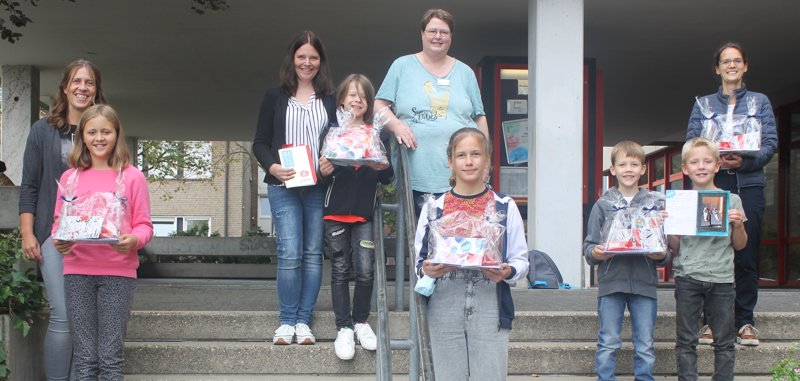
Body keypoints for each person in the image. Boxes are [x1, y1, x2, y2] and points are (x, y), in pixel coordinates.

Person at [414, 128, 528, 380]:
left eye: (476, 154)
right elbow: (419, 262)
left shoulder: (504, 206)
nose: (468, 161)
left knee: (490, 375)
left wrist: (508, 272)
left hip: (490, 296)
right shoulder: (435, 207)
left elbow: (521, 260)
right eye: (461, 155)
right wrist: (427, 270)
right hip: (444, 296)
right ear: (450, 162)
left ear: (487, 159)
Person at [19, 59, 107, 380]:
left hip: (95, 237)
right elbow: (29, 184)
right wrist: (28, 233)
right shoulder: (42, 131)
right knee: (63, 315)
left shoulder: (102, 129)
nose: (82, 88)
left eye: (89, 83)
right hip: (54, 234)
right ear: (66, 87)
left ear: (97, 89)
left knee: (86, 319)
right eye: (77, 82)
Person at [52, 104, 153, 380]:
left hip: (118, 275)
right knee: (84, 359)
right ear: (82, 136)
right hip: (77, 273)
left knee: (110, 359)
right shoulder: (69, 178)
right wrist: (59, 242)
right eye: (92, 131)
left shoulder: (132, 177)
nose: (99, 138)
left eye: (106, 131)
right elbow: (58, 224)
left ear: (116, 134)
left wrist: (133, 240)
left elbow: (145, 226)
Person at [687, 42, 776, 347]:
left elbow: (770, 145)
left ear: (745, 66)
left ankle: (745, 322)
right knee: (712, 250)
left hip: (749, 186)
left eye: (737, 61)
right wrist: (713, 160)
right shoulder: (703, 105)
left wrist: (746, 160)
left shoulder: (760, 102)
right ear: (718, 68)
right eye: (726, 61)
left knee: (746, 255)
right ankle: (709, 323)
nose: (731, 66)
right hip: (716, 184)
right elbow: (692, 142)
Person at [252, 30, 337, 345]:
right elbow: (259, 143)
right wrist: (273, 166)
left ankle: (304, 321)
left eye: (313, 57)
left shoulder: (330, 98)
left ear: (320, 62)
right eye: (301, 56)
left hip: (317, 186)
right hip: (283, 184)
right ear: (292, 59)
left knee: (314, 253)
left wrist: (332, 161)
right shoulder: (274, 97)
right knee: (290, 253)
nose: (307, 63)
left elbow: (340, 140)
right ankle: (287, 321)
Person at [375, 8, 489, 216]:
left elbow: (479, 117)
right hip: (417, 174)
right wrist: (397, 125)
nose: (438, 36)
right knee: (423, 240)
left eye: (444, 32)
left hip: (463, 174)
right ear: (422, 34)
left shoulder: (465, 73)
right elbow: (378, 105)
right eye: (432, 31)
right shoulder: (402, 66)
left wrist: (486, 161)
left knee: (460, 237)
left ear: (451, 37)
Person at [318, 74, 394, 360]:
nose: (357, 100)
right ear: (341, 100)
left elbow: (387, 177)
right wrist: (323, 171)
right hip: (335, 212)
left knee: (365, 269)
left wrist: (384, 166)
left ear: (369, 102)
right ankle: (343, 327)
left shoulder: (376, 133)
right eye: (351, 95)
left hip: (364, 214)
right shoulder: (332, 131)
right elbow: (321, 175)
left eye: (362, 96)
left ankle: (361, 321)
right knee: (339, 269)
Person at [583, 140, 670, 381]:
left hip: (645, 284)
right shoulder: (602, 205)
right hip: (612, 284)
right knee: (608, 342)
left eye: (634, 164)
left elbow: (666, 251)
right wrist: (597, 253)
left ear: (643, 168)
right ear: (613, 170)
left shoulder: (655, 205)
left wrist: (661, 255)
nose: (628, 169)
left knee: (645, 344)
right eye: (622, 164)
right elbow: (589, 247)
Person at [669, 137, 747, 381]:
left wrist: (737, 225)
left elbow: (740, 245)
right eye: (694, 162)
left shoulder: (732, 200)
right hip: (687, 277)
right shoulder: (679, 202)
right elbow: (675, 247)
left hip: (722, 277)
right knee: (686, 341)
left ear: (717, 166)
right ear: (685, 168)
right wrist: (670, 226)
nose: (701, 166)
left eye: (707, 161)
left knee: (724, 341)